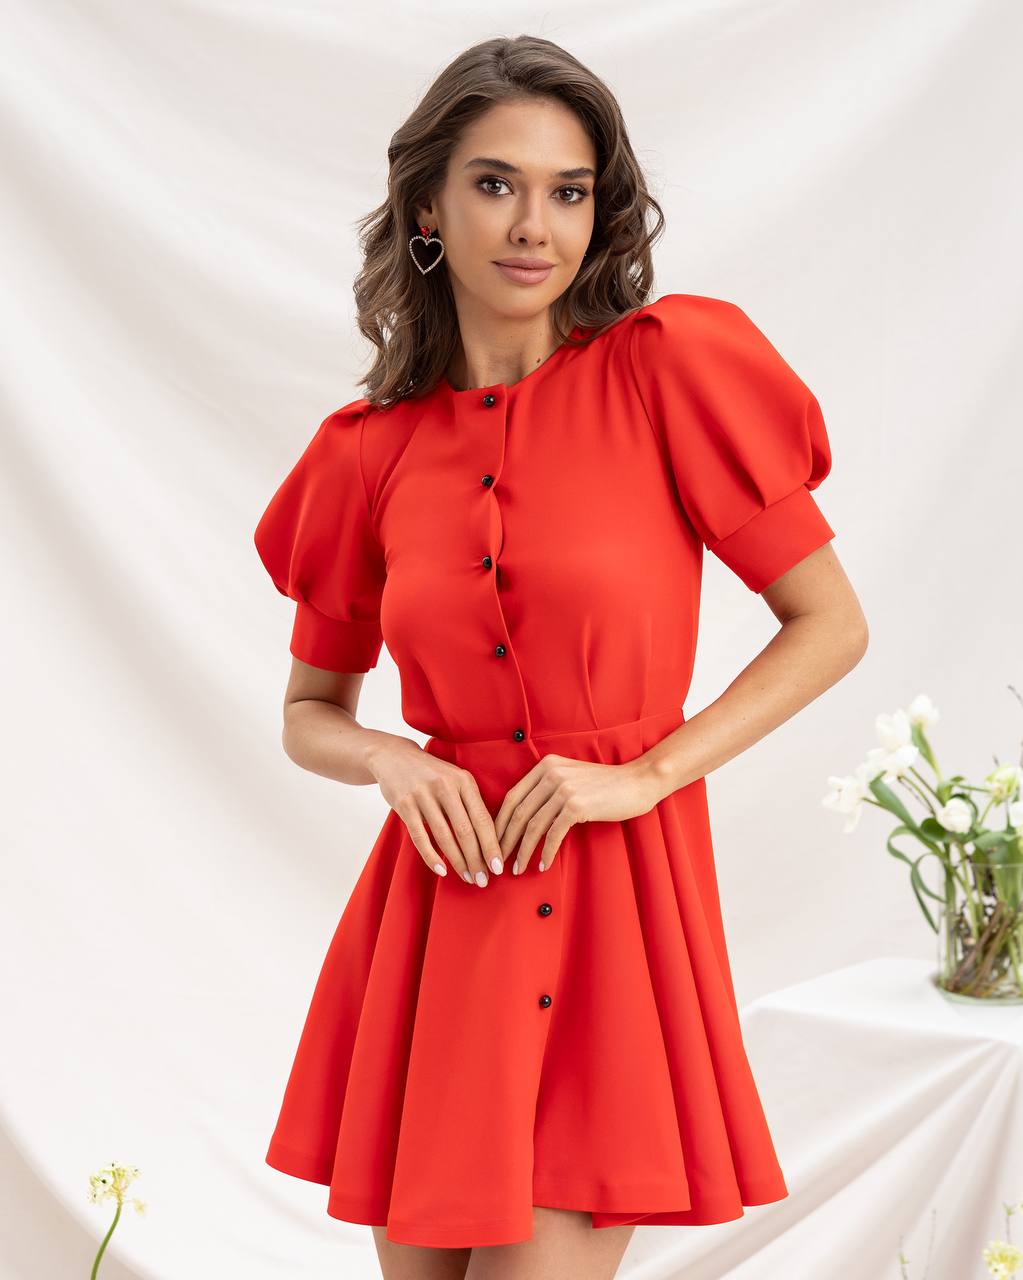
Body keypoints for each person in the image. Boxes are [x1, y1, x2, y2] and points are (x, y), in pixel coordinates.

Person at [253, 33, 869, 1280]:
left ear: (602, 207)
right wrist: (390, 760)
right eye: (495, 182)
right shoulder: (366, 451)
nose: (535, 224)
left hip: (612, 920)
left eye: (569, 190)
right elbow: (310, 708)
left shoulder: (669, 371)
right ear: (428, 203)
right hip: (436, 924)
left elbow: (831, 622)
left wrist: (645, 772)